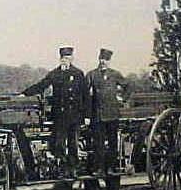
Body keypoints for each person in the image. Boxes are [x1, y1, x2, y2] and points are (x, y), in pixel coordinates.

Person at [22, 46, 85, 178]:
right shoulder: (55, 74)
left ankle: (73, 169)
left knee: (73, 144)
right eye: (63, 58)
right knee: (59, 144)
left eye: (68, 58)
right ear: (60, 59)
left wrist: (87, 115)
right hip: (60, 116)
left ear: (72, 59)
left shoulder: (78, 74)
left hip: (74, 116)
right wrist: (25, 94)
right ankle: (62, 168)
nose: (65, 61)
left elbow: (85, 96)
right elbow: (41, 85)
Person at [85, 48, 127, 176]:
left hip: (112, 114)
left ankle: (111, 168)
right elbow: (85, 94)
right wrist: (87, 114)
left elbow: (128, 86)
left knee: (113, 143)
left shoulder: (115, 74)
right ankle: (99, 169)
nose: (104, 62)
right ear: (99, 59)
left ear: (109, 61)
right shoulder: (92, 75)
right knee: (98, 144)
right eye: (102, 59)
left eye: (106, 60)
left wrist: (123, 99)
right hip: (97, 115)